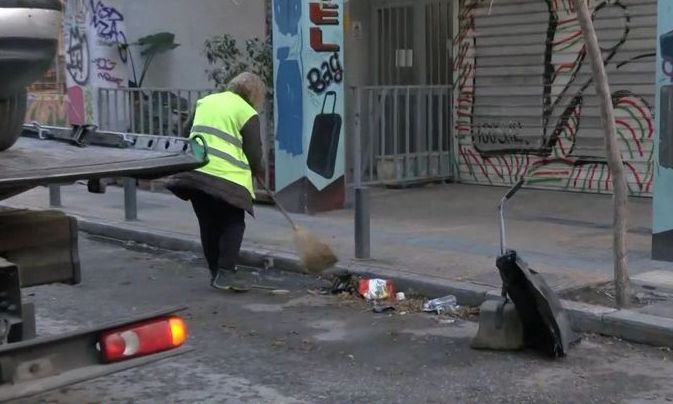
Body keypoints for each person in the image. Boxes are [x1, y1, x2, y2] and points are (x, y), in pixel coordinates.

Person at [166, 72, 265, 289]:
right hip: (227, 178)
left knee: (208, 224)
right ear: (256, 95)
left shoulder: (206, 101)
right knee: (234, 223)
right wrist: (258, 170)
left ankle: (215, 273)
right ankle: (226, 273)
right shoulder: (246, 112)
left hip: (195, 172)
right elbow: (253, 151)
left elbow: (186, 132)